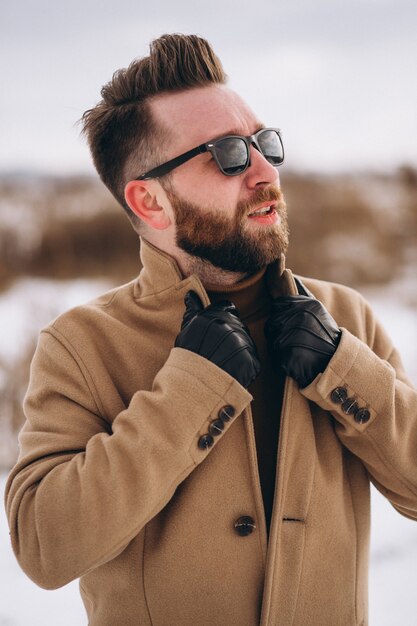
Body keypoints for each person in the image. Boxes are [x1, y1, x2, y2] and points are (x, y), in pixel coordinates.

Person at [5, 33, 417, 626]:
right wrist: (189, 392)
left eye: (264, 143)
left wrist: (346, 372)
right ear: (150, 202)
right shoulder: (83, 345)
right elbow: (44, 546)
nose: (264, 170)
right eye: (227, 153)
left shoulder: (344, 318)